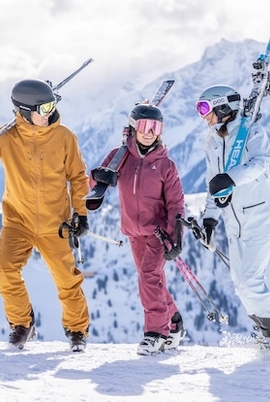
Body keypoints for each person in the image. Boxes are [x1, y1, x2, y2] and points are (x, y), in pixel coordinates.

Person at [0, 79, 91, 352]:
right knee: (5, 268)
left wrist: (80, 213)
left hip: (56, 223)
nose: (49, 113)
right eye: (43, 108)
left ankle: (77, 330)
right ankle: (22, 325)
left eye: (52, 106)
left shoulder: (64, 136)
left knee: (67, 280)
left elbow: (79, 178)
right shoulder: (6, 136)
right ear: (24, 111)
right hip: (17, 221)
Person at [196, 84, 270, 356]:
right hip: (234, 223)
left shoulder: (251, 132)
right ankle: (266, 330)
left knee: (250, 280)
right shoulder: (212, 142)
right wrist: (210, 219)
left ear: (223, 107)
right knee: (241, 285)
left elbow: (261, 163)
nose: (203, 116)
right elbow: (213, 184)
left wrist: (231, 178)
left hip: (260, 217)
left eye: (205, 108)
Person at [91, 103, 186, 356]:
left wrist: (175, 237)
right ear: (133, 127)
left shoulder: (166, 165)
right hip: (133, 233)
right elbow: (94, 183)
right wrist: (99, 176)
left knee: (148, 277)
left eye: (156, 127)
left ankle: (156, 334)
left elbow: (176, 204)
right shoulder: (120, 157)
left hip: (158, 233)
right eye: (144, 126)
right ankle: (174, 322)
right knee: (152, 281)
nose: (150, 132)